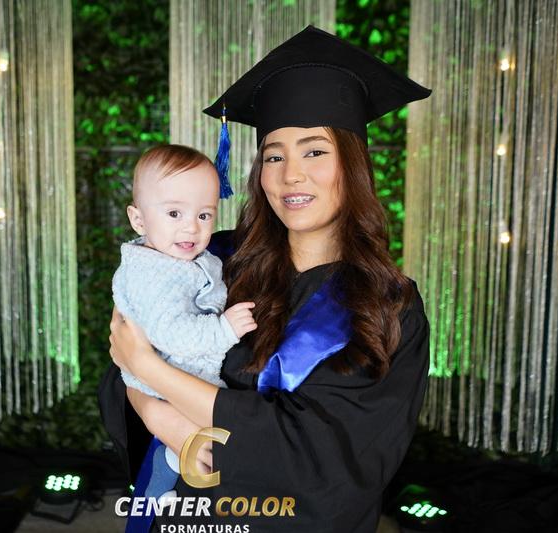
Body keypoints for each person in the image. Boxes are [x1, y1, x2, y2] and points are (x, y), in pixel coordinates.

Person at [99, 25, 431, 532]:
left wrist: (150, 370)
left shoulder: (388, 305)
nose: (291, 174)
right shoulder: (210, 258)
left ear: (353, 164)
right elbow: (121, 360)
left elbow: (327, 462)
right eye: (274, 155)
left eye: (314, 151)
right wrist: (155, 411)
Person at [113, 144, 257, 501]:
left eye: (204, 215)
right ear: (138, 220)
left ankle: (164, 478)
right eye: (174, 213)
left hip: (165, 379)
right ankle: (160, 487)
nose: (191, 227)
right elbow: (171, 334)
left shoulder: (172, 256)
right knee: (218, 444)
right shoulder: (156, 274)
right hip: (173, 377)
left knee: (201, 449)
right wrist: (224, 329)